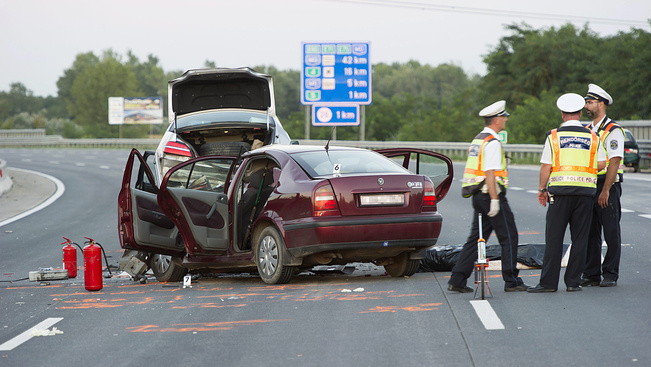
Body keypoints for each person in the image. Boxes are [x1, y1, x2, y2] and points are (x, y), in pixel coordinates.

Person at [528, 93, 606, 293]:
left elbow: (546, 166)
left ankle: (548, 284)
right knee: (580, 239)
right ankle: (573, 282)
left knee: (554, 238)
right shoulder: (593, 136)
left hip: (560, 194)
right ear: (579, 114)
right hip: (585, 194)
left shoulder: (554, 136)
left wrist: (541, 190)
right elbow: (602, 163)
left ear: (563, 114)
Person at [448, 100, 528, 293]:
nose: (506, 120)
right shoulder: (491, 142)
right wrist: (494, 200)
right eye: (504, 117)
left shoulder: (478, 139)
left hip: (477, 195)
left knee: (476, 239)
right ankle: (511, 280)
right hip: (490, 195)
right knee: (509, 237)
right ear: (497, 120)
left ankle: (457, 279)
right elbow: (490, 172)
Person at [581, 84, 624, 287]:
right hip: (590, 184)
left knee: (610, 230)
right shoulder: (587, 130)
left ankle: (610, 274)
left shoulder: (613, 130)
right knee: (590, 230)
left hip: (608, 184)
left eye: (590, 102)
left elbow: (614, 162)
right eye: (586, 102)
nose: (586, 106)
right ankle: (591, 274)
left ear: (602, 103)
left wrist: (606, 190)